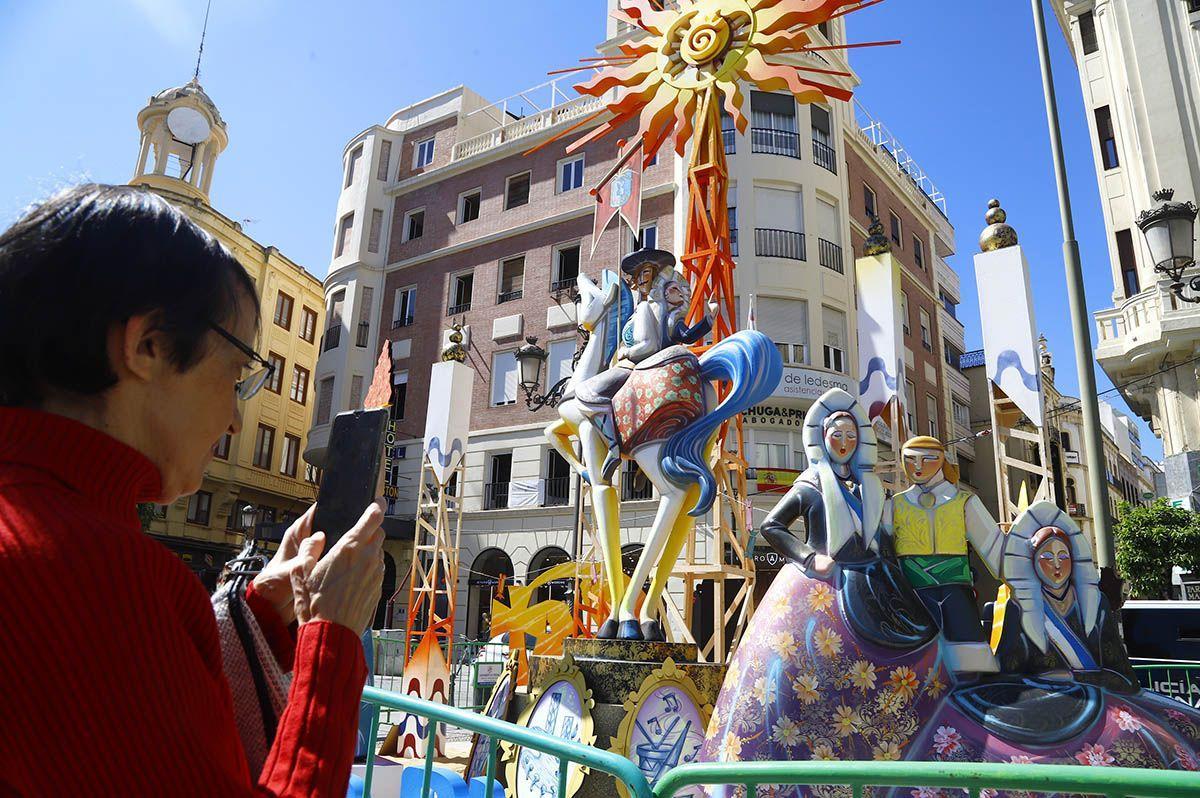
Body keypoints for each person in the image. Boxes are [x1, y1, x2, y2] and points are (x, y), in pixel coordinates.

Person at [0, 184, 385, 795]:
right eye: (235, 374)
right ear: (148, 346)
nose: (235, 420)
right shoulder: (99, 574)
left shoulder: (51, 528)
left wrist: (259, 606)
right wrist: (331, 639)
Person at [883, 436, 1004, 677]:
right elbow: (881, 553)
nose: (917, 466)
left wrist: (1022, 577)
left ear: (942, 461)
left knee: (970, 664)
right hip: (912, 597)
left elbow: (995, 549)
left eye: (927, 459)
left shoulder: (964, 502)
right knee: (917, 669)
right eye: (910, 460)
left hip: (956, 594)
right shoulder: (894, 505)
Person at [989, 500, 1136, 691]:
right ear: (1032, 562)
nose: (1057, 565)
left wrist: (1073, 678)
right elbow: (1007, 678)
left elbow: (1121, 673)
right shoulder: (1018, 609)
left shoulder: (1096, 605)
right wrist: (1046, 681)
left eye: (1063, 557)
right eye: (1048, 558)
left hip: (1098, 705)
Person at [574, 248, 674, 482]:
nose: (640, 280)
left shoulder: (646, 307)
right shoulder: (653, 307)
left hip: (631, 368)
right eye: (638, 276)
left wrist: (626, 351)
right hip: (638, 367)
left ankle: (613, 446)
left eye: (646, 274)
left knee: (585, 392)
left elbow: (649, 344)